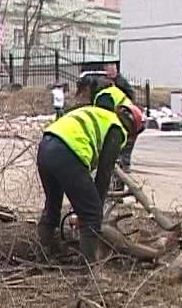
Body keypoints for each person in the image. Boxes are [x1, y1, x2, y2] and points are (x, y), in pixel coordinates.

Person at [37, 76, 145, 263]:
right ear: (132, 131)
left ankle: (44, 255)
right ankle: (88, 270)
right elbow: (103, 175)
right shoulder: (116, 130)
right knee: (92, 214)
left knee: (53, 205)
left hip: (45, 147)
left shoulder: (97, 113)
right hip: (67, 153)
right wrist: (93, 209)